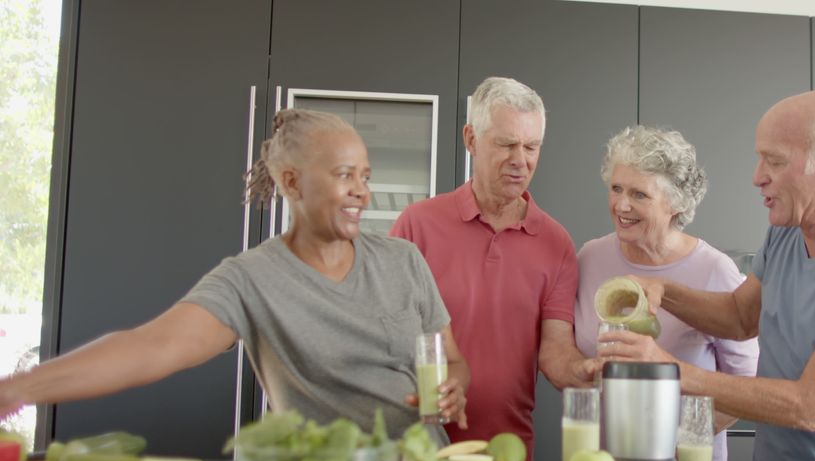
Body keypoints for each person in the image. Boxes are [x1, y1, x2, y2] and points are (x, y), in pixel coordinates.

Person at [0, 109, 468, 442]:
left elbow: (452, 358)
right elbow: (151, 347)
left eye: (365, 177)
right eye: (346, 175)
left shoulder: (403, 261)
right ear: (291, 182)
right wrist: (21, 388)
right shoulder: (251, 281)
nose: (362, 193)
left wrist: (455, 387)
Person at [600, 91, 815, 461]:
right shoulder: (788, 232)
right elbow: (741, 317)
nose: (757, 177)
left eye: (774, 161)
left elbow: (809, 405)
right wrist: (663, 291)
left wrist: (667, 369)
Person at [391, 77, 598, 461]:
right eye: (506, 144)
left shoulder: (556, 243)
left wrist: (591, 371)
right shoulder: (416, 225)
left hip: (508, 451)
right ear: (470, 139)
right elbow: (384, 331)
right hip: (415, 445)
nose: (521, 160)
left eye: (532, 146)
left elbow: (554, 353)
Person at [575, 125, 758, 461]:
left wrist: (675, 450)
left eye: (639, 194)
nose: (621, 204)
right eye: (616, 188)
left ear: (675, 203)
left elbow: (747, 385)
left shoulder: (714, 270)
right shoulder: (589, 258)